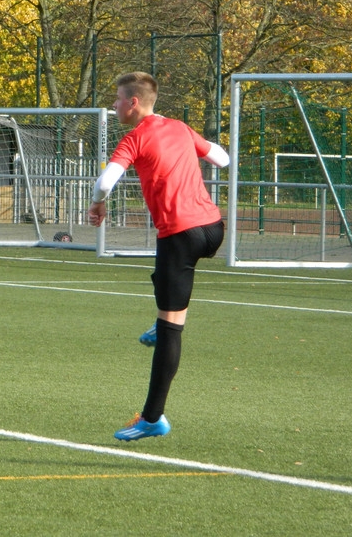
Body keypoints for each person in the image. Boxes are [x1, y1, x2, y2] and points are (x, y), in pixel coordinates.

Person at [87, 71, 229, 441]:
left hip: (180, 235)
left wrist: (97, 204)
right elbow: (222, 158)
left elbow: (105, 182)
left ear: (133, 103)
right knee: (164, 280)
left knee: (171, 330)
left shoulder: (134, 138)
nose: (114, 105)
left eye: (118, 98)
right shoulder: (180, 127)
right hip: (213, 229)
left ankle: (152, 418)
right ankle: (160, 325)